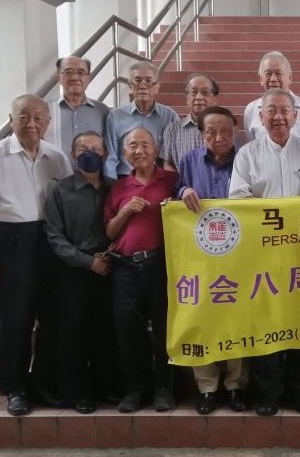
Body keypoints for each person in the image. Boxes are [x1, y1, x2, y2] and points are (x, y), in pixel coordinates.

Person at [0, 95, 72, 416]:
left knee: (52, 318)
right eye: (24, 116)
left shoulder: (56, 158)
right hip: (10, 242)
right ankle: (14, 387)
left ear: (48, 122)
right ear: (11, 119)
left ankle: (43, 384)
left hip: (49, 242)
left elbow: (68, 201)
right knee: (14, 320)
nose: (32, 124)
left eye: (39, 118)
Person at [229, 88, 300, 416]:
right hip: (262, 256)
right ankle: (267, 394)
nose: (278, 116)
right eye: (272, 110)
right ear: (260, 117)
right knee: (265, 325)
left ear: (296, 116)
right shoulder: (247, 155)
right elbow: (238, 199)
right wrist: (282, 214)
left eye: (285, 110)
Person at [173, 106, 249, 415]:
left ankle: (235, 385)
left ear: (236, 132)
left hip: (240, 253)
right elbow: (175, 190)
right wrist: (184, 190)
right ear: (201, 134)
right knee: (202, 318)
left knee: (237, 318)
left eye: (226, 131)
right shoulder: (189, 161)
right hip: (199, 254)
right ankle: (206, 387)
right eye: (211, 132)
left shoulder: (245, 158)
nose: (219, 138)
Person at [44, 131, 119, 414]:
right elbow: (54, 237)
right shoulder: (60, 191)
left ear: (106, 154)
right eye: (83, 149)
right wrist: (88, 262)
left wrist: (108, 257)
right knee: (74, 333)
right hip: (73, 272)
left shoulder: (115, 188)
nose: (90, 153)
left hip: (110, 269)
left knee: (106, 331)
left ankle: (106, 387)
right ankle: (77, 393)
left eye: (96, 149)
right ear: (73, 155)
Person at [104, 128, 178, 413]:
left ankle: (163, 388)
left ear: (156, 149)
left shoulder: (171, 180)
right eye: (132, 146)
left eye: (145, 145)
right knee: (128, 331)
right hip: (125, 268)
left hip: (162, 266)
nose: (139, 151)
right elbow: (110, 231)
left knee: (163, 329)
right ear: (124, 153)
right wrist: (126, 211)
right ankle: (134, 389)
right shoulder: (118, 187)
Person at [104, 61, 178, 178]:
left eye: (148, 81)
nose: (143, 86)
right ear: (130, 86)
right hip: (125, 178)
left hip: (157, 179)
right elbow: (110, 156)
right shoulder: (115, 116)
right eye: (137, 81)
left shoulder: (169, 116)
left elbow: (173, 155)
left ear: (157, 86)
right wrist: (112, 184)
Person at [243, 52, 300, 144]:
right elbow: (252, 145)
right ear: (260, 79)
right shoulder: (251, 110)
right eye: (268, 73)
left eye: (278, 73)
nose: (273, 79)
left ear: (290, 78)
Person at [46, 56, 110, 160]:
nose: (75, 78)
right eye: (68, 72)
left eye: (81, 72)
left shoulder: (102, 111)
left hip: (92, 170)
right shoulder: (45, 110)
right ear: (58, 78)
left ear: (88, 78)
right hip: (53, 170)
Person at [162, 73, 219, 172]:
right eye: (193, 92)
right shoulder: (173, 130)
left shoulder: (227, 129)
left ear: (215, 99)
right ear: (187, 98)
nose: (199, 97)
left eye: (205, 93)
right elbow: (168, 163)